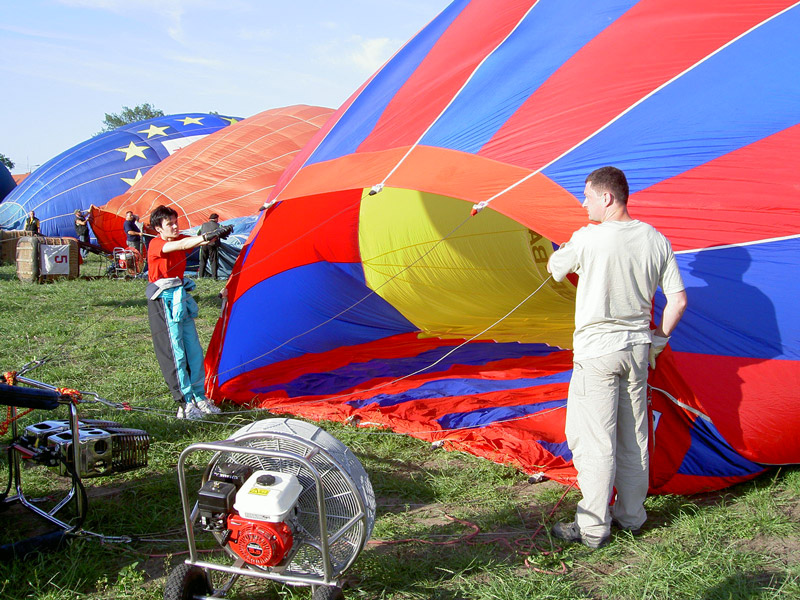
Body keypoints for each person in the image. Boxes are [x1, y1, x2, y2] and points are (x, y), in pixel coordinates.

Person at [546, 166, 687, 549]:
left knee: (596, 441)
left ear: (607, 198)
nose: (583, 203)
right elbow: (678, 300)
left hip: (598, 353)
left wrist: (565, 248)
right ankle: (631, 515)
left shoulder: (588, 238)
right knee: (635, 435)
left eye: (587, 196)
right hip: (638, 350)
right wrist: (660, 338)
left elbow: (555, 269)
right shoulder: (655, 239)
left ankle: (593, 527)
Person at [146, 205, 224, 420]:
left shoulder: (180, 238)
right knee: (176, 352)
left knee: (193, 349)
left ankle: (200, 396)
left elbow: (191, 240)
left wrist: (214, 235)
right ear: (158, 228)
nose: (174, 226)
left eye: (175, 221)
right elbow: (183, 243)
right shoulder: (156, 243)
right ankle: (185, 402)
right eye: (169, 223)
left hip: (181, 296)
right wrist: (204, 237)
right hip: (164, 299)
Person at [197, 213, 222, 279]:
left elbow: (198, 233)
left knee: (203, 261)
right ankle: (214, 277)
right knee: (213, 261)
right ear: (216, 219)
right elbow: (221, 233)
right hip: (212, 245)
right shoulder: (218, 225)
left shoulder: (203, 225)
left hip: (203, 244)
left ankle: (200, 277)